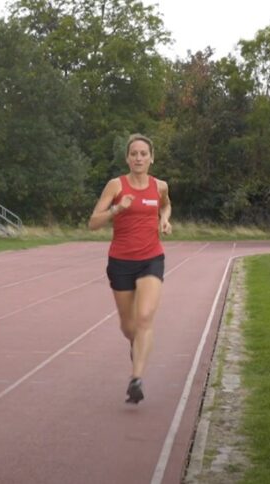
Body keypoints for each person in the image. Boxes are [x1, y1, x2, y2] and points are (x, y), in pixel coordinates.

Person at [88, 133, 172, 404]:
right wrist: (116, 210)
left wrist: (164, 220)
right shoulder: (116, 185)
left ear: (151, 158)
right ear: (127, 158)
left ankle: (136, 379)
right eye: (134, 154)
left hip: (151, 257)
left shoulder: (160, 186)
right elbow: (93, 223)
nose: (138, 158)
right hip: (121, 261)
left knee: (145, 316)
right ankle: (135, 346)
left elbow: (166, 205)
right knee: (129, 326)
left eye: (143, 154)